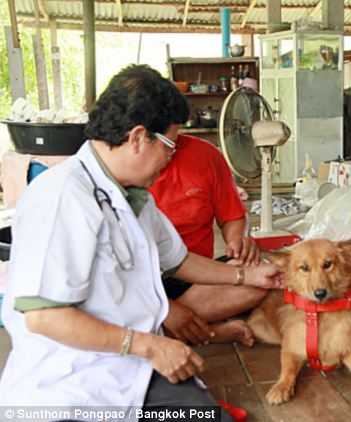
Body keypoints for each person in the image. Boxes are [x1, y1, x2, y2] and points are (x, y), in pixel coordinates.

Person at [0, 64, 280, 419]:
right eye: (169, 146)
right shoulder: (60, 197)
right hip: (69, 385)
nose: (171, 157)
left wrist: (248, 277)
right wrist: (149, 346)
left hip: (125, 370)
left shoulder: (131, 196)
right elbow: (43, 318)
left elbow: (179, 261)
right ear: (137, 137)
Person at [150, 134, 265, 347]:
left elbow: (231, 215)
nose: (170, 150)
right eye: (164, 143)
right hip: (142, 282)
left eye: (173, 139)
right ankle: (205, 331)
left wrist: (237, 242)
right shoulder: (128, 174)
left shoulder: (205, 155)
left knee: (259, 275)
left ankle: (168, 328)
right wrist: (164, 307)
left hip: (197, 276)